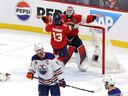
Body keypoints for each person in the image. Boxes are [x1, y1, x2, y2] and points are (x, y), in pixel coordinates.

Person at [60, 6, 101, 71]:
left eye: (71, 10)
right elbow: (53, 21)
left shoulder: (77, 17)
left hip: (75, 38)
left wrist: (94, 16)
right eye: (68, 10)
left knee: (80, 48)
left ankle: (81, 64)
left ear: (73, 12)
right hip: (65, 38)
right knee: (63, 51)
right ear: (66, 11)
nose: (69, 11)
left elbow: (85, 18)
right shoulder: (62, 17)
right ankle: (60, 64)